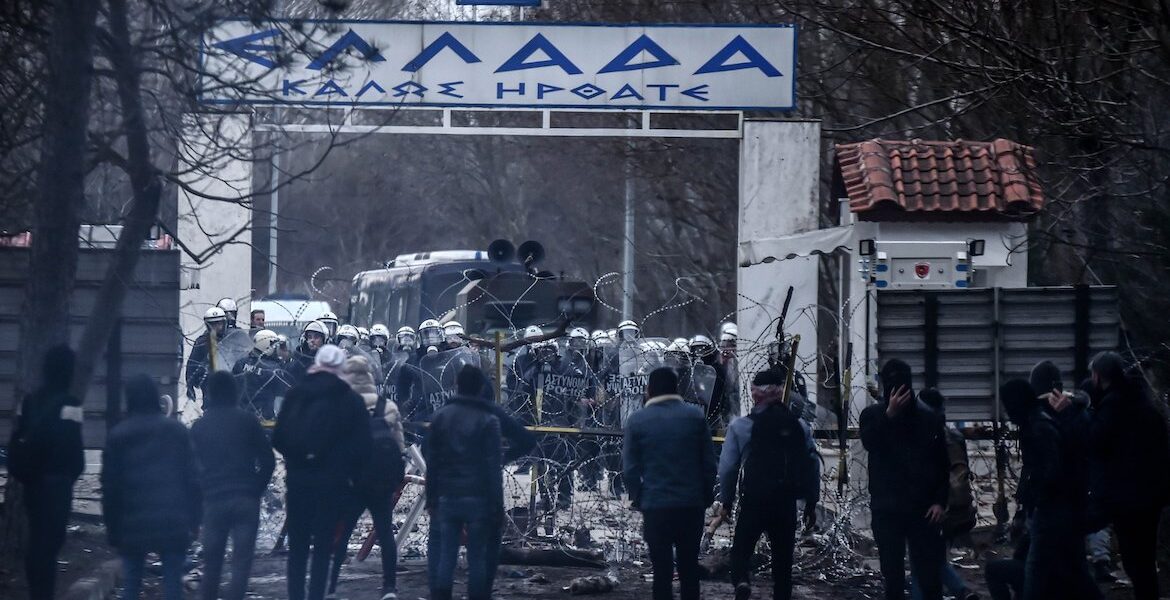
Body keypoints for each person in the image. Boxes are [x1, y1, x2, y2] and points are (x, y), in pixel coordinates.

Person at [424, 366, 536, 600]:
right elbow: (492, 467)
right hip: (479, 497)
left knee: (446, 555)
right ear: (481, 388)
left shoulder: (442, 415)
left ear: (457, 384)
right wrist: (497, 504)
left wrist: (432, 496)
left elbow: (431, 458)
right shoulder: (489, 418)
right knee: (477, 557)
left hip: (448, 494)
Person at [273, 345, 372, 600]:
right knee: (323, 546)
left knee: (298, 546)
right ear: (341, 367)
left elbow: (278, 437)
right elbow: (363, 446)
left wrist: (296, 459)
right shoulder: (349, 399)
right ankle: (316, 594)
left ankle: (296, 594)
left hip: (298, 481)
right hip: (332, 483)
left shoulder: (296, 394)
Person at [1001, 364, 1100, 600]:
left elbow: (1046, 469)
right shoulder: (1067, 413)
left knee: (1037, 570)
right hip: (1068, 506)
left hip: (1052, 508)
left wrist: (1033, 496)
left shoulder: (1040, 423)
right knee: (1073, 567)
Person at [718, 369, 818, 600]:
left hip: (754, 499)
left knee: (741, 552)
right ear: (782, 392)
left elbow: (728, 468)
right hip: (785, 501)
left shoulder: (741, 427)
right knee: (783, 562)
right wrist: (811, 502)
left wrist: (726, 500)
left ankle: (742, 581)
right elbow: (812, 463)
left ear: (754, 394)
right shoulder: (799, 426)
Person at [101, 375, 202, 600]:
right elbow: (192, 479)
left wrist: (113, 528)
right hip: (172, 520)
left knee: (132, 584)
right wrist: (195, 520)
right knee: (173, 584)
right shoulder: (176, 431)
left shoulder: (118, 435)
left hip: (132, 522)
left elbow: (110, 487)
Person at [623, 368, 717, 600]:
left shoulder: (637, 420)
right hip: (691, 504)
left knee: (662, 572)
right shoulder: (695, 417)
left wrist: (639, 497)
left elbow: (630, 469)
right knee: (688, 569)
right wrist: (705, 496)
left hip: (656, 505)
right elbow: (708, 463)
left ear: (650, 390)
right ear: (676, 388)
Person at [859, 359, 948, 600]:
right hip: (887, 509)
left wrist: (940, 501)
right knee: (893, 574)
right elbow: (871, 442)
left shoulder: (928, 419)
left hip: (922, 509)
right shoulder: (872, 415)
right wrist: (889, 415)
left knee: (929, 575)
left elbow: (942, 464)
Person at [1087, 352, 1170, 600]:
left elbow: (1095, 441)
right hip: (1151, 497)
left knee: (1134, 560)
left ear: (1099, 376)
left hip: (1127, 499)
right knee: (1145, 560)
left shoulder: (1113, 406)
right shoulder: (1144, 404)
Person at [7, 346, 85, 600]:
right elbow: (74, 453)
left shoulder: (29, 401)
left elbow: (17, 437)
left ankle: (36, 593)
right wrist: (68, 476)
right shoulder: (71, 404)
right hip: (58, 486)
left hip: (32, 484)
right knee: (49, 548)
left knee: (37, 542)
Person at [190, 372, 275, 600]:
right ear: (235, 391)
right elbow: (268, 460)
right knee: (241, 562)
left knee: (212, 563)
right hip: (245, 498)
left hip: (213, 500)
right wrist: (256, 489)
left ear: (210, 393)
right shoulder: (247, 421)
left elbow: (190, 470)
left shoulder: (200, 426)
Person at [328, 355, 406, 600]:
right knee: (385, 534)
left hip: (353, 481)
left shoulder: (342, 405)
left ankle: (330, 586)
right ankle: (389, 587)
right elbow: (399, 447)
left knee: (343, 532)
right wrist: (396, 479)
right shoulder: (388, 406)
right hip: (381, 482)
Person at [909, 388, 979, 600]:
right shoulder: (955, 435)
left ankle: (959, 590)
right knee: (934, 558)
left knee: (919, 561)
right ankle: (961, 591)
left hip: (935, 508)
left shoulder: (928, 435)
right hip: (959, 509)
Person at [232, 329, 292, 421]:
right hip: (264, 417)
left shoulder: (240, 363)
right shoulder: (274, 369)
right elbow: (280, 397)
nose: (277, 349)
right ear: (266, 345)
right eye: (274, 346)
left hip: (240, 415)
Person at [185, 306, 229, 402]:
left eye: (219, 323)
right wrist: (190, 385)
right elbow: (192, 363)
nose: (217, 327)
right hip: (210, 385)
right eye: (213, 324)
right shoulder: (202, 342)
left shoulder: (231, 339)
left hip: (230, 383)